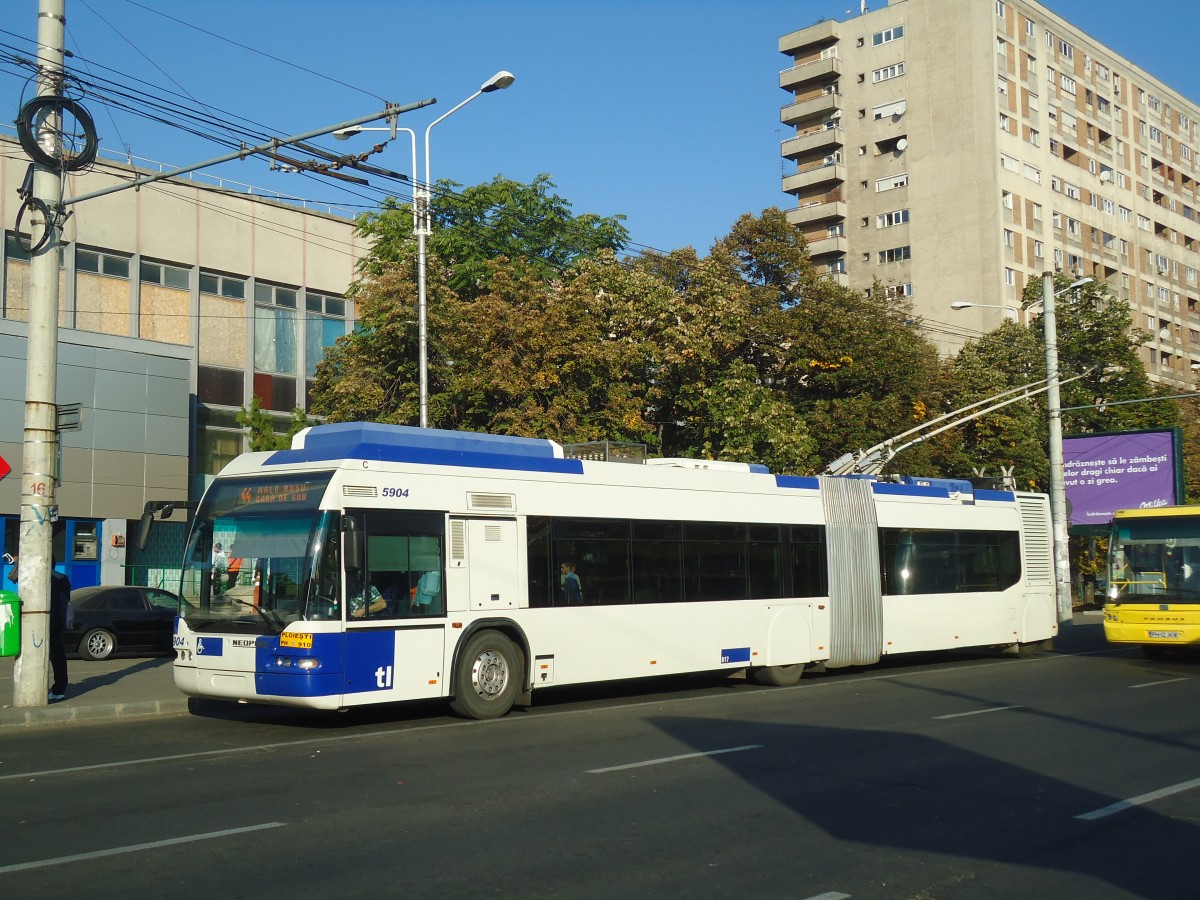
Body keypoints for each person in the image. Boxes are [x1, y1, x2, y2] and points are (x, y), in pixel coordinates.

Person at [48, 562, 71, 702]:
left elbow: (12, 577)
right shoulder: (62, 578)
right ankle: (59, 689)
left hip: (44, 622)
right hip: (58, 622)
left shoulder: (44, 578)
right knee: (58, 657)